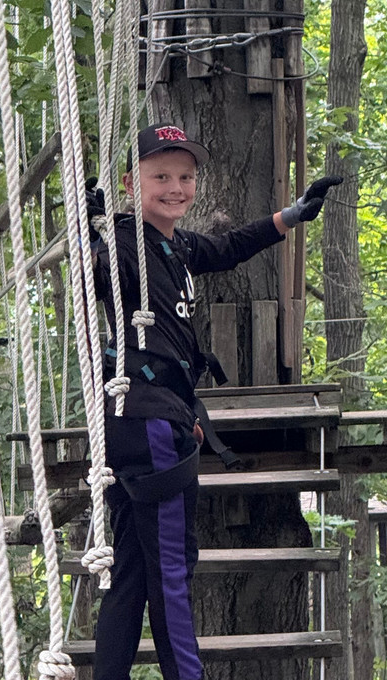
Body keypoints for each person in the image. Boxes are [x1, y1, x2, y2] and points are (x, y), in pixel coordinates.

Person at [88, 122, 341, 680]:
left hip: (145, 417)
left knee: (133, 569)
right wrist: (91, 229)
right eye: (161, 177)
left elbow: (227, 249)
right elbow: (105, 276)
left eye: (185, 177)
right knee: (172, 572)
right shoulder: (126, 242)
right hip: (149, 416)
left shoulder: (175, 246)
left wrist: (289, 218)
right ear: (133, 182)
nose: (176, 188)